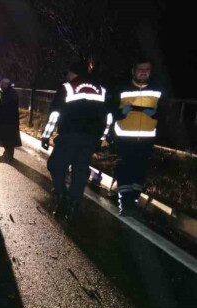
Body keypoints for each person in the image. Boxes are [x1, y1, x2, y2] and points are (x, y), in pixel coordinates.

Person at [41, 61, 110, 221]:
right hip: (89, 139)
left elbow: (55, 115)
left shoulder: (67, 88)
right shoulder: (101, 90)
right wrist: (101, 138)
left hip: (68, 135)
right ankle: (74, 205)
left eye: (68, 73)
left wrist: (46, 135)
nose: (67, 76)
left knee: (55, 165)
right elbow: (108, 117)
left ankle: (61, 196)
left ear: (73, 73)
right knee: (80, 171)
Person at [109, 58, 164, 217]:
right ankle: (124, 203)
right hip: (125, 139)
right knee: (124, 169)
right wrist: (121, 113)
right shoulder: (121, 89)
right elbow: (111, 111)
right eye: (140, 69)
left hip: (146, 140)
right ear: (133, 71)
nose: (144, 72)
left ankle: (133, 200)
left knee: (139, 171)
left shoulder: (157, 90)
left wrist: (156, 114)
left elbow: (166, 113)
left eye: (147, 69)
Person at [0, 78, 21, 162]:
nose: (1, 86)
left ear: (6, 84)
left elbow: (9, 107)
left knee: (9, 139)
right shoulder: (8, 92)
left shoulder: (11, 93)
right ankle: (6, 154)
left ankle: (9, 157)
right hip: (7, 120)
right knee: (6, 138)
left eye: (2, 84)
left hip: (9, 121)